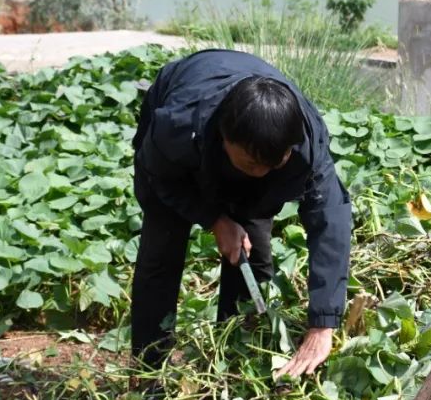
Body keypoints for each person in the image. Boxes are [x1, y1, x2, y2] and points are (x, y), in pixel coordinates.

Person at [130, 49, 351, 379]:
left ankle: (236, 362)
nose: (260, 173)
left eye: (273, 164)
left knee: (252, 250)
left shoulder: (304, 144)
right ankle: (149, 371)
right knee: (162, 250)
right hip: (183, 141)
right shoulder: (177, 125)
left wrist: (323, 323)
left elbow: (330, 222)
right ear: (224, 137)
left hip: (251, 147)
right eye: (251, 164)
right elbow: (159, 176)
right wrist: (214, 219)